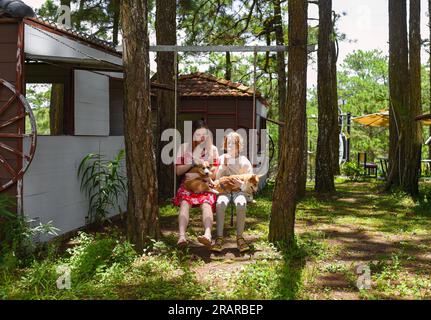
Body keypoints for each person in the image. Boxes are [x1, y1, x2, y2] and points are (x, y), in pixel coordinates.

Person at [173, 120, 219, 248]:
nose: (202, 137)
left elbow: (214, 175)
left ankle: (207, 235)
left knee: (206, 204)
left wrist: (198, 174)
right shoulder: (184, 148)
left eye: (204, 134)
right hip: (188, 184)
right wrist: (192, 163)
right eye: (198, 134)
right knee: (184, 203)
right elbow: (178, 171)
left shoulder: (213, 150)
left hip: (205, 185)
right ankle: (182, 237)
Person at [212, 131, 253, 253]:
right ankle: (219, 238)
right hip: (224, 191)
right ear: (225, 145)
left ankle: (240, 237)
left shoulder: (243, 160)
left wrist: (241, 185)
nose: (230, 146)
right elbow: (216, 179)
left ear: (239, 145)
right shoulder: (221, 158)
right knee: (221, 204)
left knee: (241, 204)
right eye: (228, 143)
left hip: (239, 192)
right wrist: (223, 167)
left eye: (233, 143)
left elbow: (251, 182)